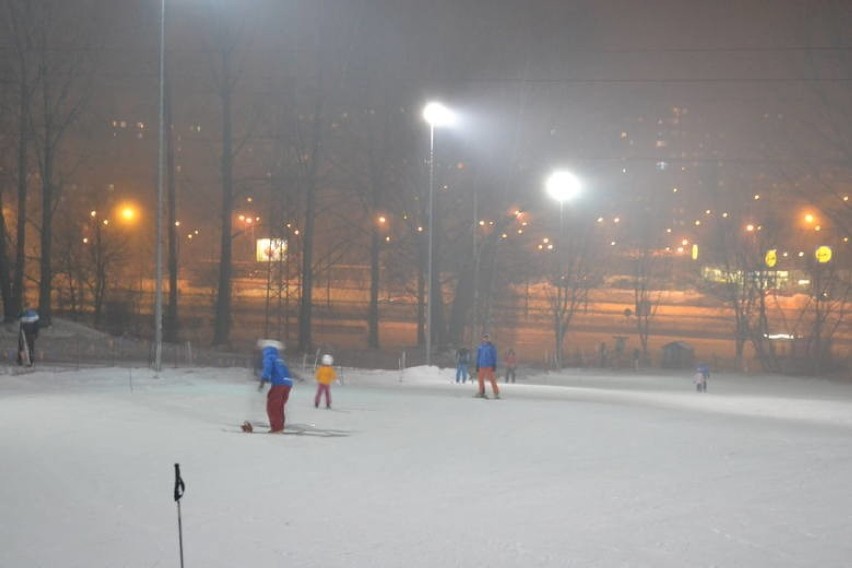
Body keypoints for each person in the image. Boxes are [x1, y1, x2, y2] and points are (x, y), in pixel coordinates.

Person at [256, 339, 295, 433]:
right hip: (287, 384)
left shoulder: (269, 356)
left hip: (279, 384)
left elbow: (268, 367)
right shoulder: (279, 358)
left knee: (272, 406)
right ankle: (280, 426)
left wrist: (264, 379)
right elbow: (281, 371)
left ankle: (277, 428)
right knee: (279, 406)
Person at [475, 333, 500, 399]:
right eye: (485, 338)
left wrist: (494, 364)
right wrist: (477, 364)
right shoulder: (480, 347)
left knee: (492, 379)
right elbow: (478, 356)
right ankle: (481, 392)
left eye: (487, 338)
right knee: (480, 379)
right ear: (483, 339)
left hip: (489, 365)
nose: (486, 339)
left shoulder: (491, 347)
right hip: (481, 365)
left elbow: (494, 356)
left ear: (489, 339)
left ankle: (496, 393)